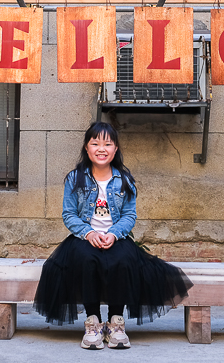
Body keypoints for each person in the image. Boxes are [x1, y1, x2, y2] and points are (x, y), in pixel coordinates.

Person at [33, 121, 192, 349]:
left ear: (115, 149)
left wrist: (114, 234)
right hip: (83, 237)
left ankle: (116, 322)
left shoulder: (124, 180)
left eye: (108, 143)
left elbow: (129, 214)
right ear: (87, 148)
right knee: (86, 259)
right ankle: (94, 322)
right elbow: (69, 214)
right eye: (95, 143)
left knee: (123, 260)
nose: (101, 148)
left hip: (115, 237)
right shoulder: (74, 179)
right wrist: (88, 233)